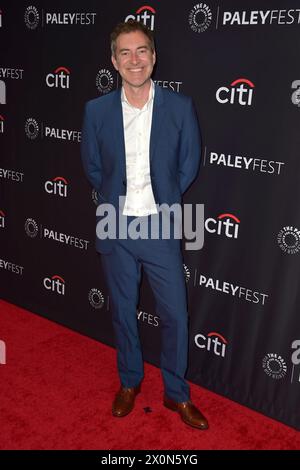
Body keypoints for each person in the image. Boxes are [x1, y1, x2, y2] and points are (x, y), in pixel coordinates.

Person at [81, 20, 208, 430]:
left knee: (175, 313)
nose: (134, 60)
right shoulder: (95, 110)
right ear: (114, 61)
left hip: (161, 224)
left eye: (142, 52)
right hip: (113, 222)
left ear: (153, 57)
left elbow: (188, 164)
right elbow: (93, 167)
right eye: (125, 53)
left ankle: (176, 393)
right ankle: (130, 382)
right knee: (122, 310)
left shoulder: (180, 106)